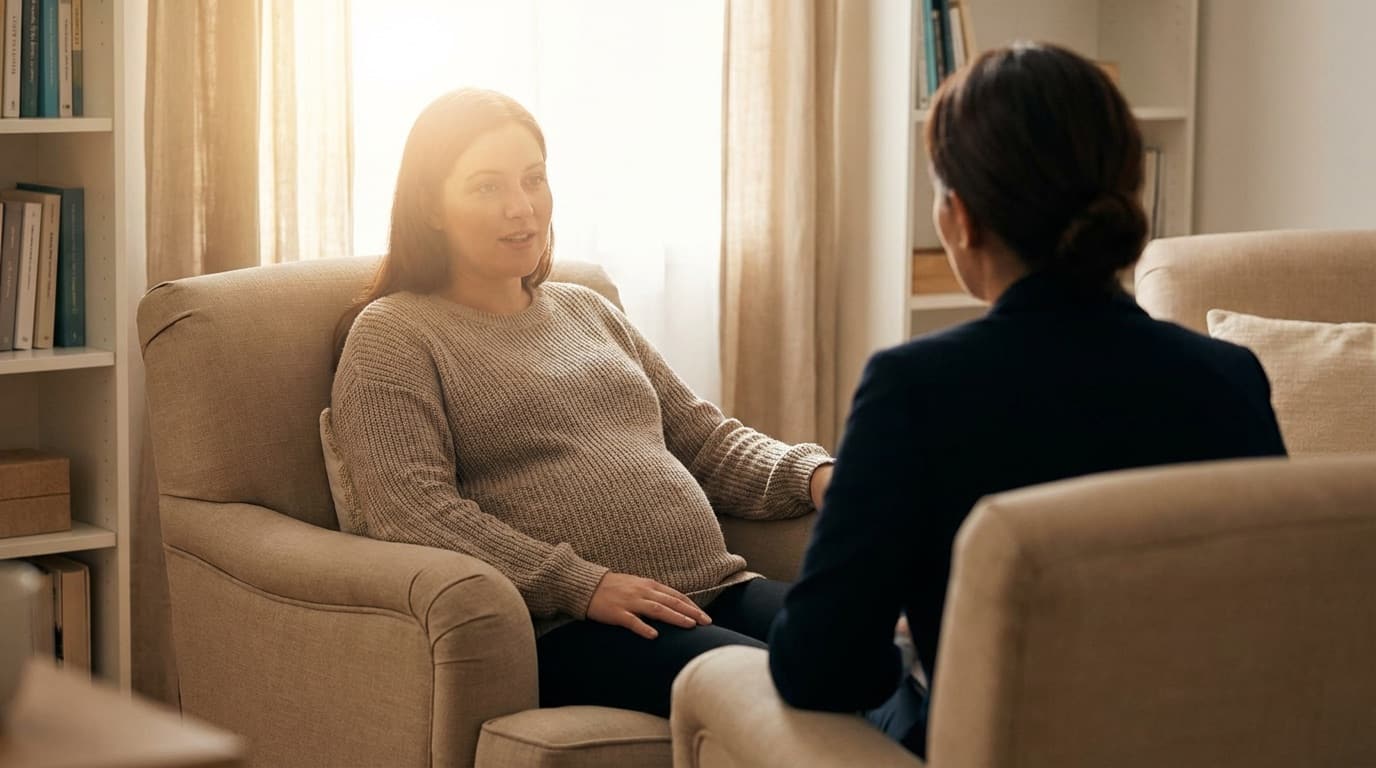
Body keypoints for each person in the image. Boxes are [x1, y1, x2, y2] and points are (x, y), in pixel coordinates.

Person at [766, 43, 1287, 758]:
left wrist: (910, 654)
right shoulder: (1231, 376)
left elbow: (818, 665)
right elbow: (1273, 618)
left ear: (960, 218)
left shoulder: (913, 388)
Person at [328, 88, 834, 718]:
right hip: (579, 628)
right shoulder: (394, 334)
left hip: (718, 589)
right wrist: (580, 585)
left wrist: (814, 474)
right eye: (487, 186)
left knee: (887, 652)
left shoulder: (585, 308)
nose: (522, 207)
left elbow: (703, 441)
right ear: (429, 204)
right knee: (794, 689)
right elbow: (411, 511)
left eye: (533, 179)